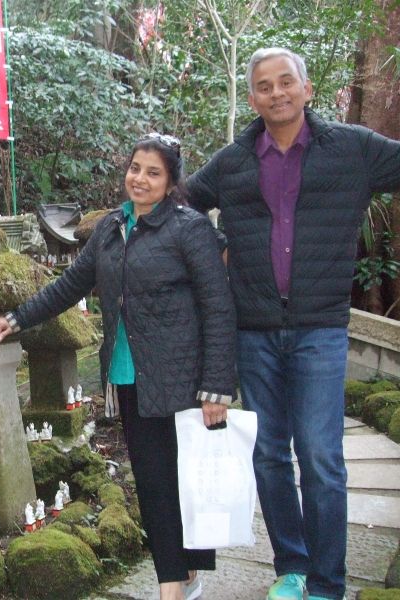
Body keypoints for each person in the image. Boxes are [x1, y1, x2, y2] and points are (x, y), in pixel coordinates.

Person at [187, 47, 400, 600]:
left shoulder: (353, 149)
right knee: (268, 453)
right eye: (264, 85)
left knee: (321, 455)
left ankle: (328, 583)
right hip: (253, 329)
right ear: (253, 97)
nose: (276, 92)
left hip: (320, 329)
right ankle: (292, 567)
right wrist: (214, 256)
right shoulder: (234, 160)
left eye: (286, 82)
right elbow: (181, 206)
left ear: (307, 90)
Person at [0, 133, 236, 600]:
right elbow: (70, 285)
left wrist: (217, 387)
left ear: (171, 182)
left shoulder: (190, 229)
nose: (140, 179)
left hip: (183, 377)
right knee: (153, 484)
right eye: (135, 168)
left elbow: (218, 307)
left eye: (153, 172)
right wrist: (19, 317)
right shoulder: (110, 228)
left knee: (187, 482)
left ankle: (183, 574)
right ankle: (175, 583)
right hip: (129, 374)